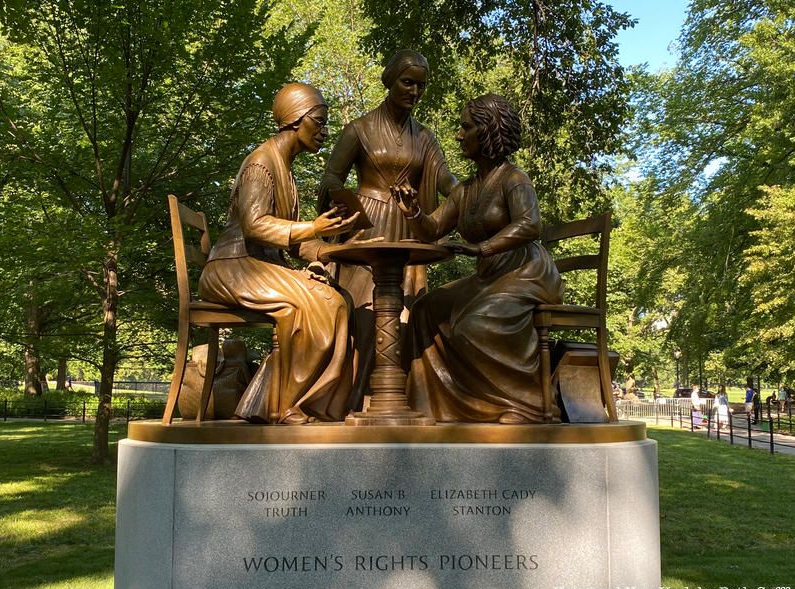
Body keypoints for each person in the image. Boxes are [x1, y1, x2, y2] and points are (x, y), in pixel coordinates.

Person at [394, 93, 563, 423]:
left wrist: (482, 248)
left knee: (473, 326)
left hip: (526, 272)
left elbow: (530, 224)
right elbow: (431, 229)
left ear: (487, 132)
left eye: (465, 127)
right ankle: (436, 405)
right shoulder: (466, 190)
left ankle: (527, 406)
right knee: (425, 310)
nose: (458, 134)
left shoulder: (514, 179)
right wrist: (412, 210)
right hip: (490, 277)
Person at [199, 83, 358, 424]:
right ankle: (286, 405)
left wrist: (339, 249)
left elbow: (296, 242)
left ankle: (291, 402)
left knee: (335, 297)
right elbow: (255, 225)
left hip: (255, 265)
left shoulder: (284, 168)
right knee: (320, 303)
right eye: (319, 121)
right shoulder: (261, 163)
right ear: (295, 120)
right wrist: (314, 227)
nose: (324, 131)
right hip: (234, 266)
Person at [318, 49, 458, 409]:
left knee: (408, 316)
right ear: (390, 81)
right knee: (365, 316)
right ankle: (358, 400)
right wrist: (342, 205)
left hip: (408, 228)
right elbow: (332, 175)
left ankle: (398, 399)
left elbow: (445, 179)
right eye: (407, 82)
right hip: (367, 228)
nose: (414, 91)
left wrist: (471, 195)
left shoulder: (424, 138)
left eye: (421, 86)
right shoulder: (359, 129)